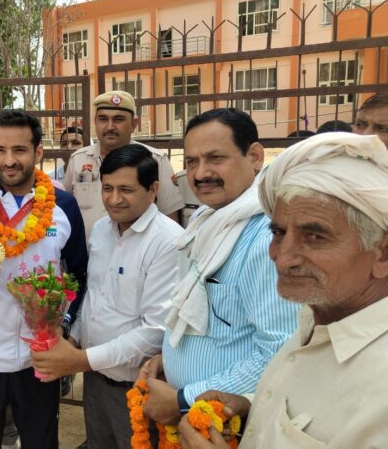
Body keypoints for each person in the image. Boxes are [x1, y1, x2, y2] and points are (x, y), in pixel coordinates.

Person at [177, 132, 388, 449]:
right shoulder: (314, 320)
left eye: (315, 236)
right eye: (279, 232)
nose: (281, 255)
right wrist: (251, 404)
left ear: (382, 255)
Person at [140, 108, 298, 426]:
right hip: (190, 415)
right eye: (192, 161)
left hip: (229, 422)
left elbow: (281, 349)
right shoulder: (205, 218)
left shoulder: (267, 236)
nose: (200, 174)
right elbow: (201, 320)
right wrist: (168, 359)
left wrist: (184, 399)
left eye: (215, 158)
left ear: (254, 156)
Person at [0, 109, 88, 449]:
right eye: (0, 150)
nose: (9, 161)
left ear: (38, 152)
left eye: (20, 150)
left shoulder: (64, 206)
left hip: (38, 358)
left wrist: (63, 324)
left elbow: (80, 274)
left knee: (41, 443)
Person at [31, 144, 183, 449]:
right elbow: (93, 294)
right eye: (108, 188)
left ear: (153, 189)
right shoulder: (101, 229)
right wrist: (72, 336)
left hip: (136, 387)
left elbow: (155, 330)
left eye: (126, 189)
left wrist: (80, 359)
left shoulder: (168, 241)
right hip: (95, 382)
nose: (114, 199)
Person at [63, 90, 184, 239]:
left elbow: (170, 218)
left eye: (118, 119)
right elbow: (65, 210)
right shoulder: (78, 160)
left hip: (140, 257)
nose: (109, 127)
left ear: (134, 124)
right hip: (88, 257)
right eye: (103, 119)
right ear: (95, 122)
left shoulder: (155, 160)